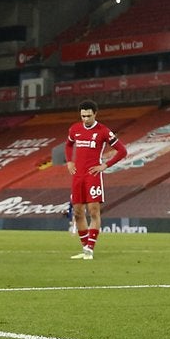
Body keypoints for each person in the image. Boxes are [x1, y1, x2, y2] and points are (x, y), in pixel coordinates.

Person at [65, 100, 128, 260]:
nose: (85, 119)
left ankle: (90, 249)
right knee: (78, 213)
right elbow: (68, 145)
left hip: (93, 175)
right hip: (78, 176)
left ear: (95, 114)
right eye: (83, 116)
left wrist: (105, 165)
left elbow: (122, 151)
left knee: (93, 211)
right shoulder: (75, 129)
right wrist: (69, 161)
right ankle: (85, 248)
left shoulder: (103, 131)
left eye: (88, 116)